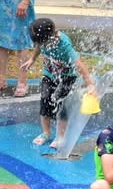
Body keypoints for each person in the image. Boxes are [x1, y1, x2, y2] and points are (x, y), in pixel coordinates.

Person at [22, 18, 94, 150]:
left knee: (60, 103)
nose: (40, 44)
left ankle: (60, 136)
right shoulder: (42, 40)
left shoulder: (63, 44)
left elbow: (79, 64)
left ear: (51, 35)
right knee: (45, 100)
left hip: (67, 77)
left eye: (41, 41)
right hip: (49, 74)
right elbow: (38, 46)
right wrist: (32, 59)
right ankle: (46, 133)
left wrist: (90, 85)